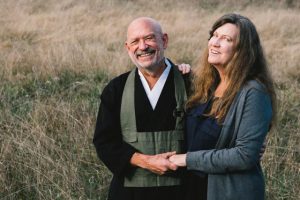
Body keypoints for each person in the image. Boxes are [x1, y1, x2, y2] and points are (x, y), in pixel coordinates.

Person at [169, 13, 276, 200]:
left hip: (228, 192)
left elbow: (244, 156)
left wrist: (186, 159)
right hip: (191, 187)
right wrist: (180, 76)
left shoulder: (253, 92)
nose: (215, 43)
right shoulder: (205, 85)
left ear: (242, 51)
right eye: (214, 35)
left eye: (226, 39)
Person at [93, 17, 191, 200]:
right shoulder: (116, 89)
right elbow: (104, 143)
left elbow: (208, 139)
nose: (143, 46)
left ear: (165, 40)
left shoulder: (190, 84)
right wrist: (146, 161)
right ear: (127, 47)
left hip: (184, 191)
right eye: (135, 41)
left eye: (149, 38)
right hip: (129, 193)